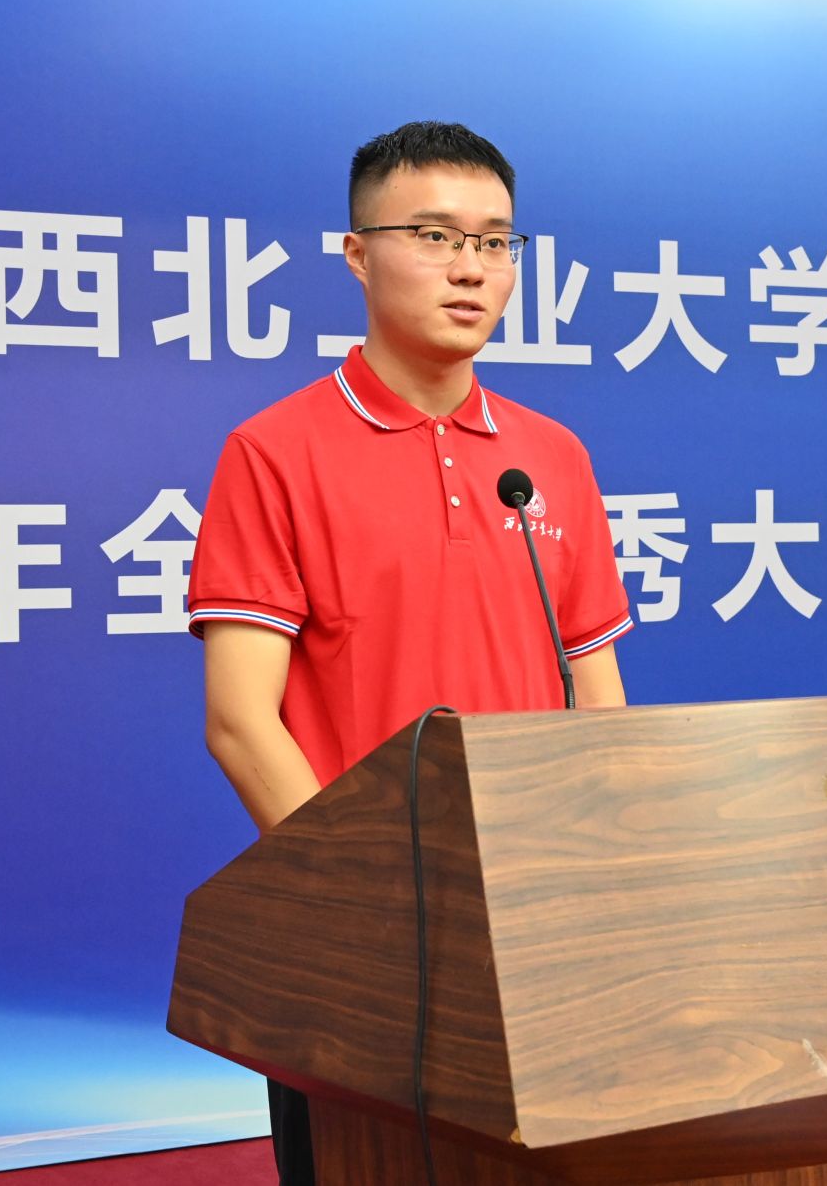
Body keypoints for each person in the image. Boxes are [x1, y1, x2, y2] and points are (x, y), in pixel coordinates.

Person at [183, 121, 633, 1185]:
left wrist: (604, 871)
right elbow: (240, 721)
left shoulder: (551, 458)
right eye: (433, 236)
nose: (470, 267)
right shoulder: (274, 451)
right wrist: (360, 899)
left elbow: (596, 692)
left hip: (537, 918)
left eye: (495, 241)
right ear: (356, 254)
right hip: (360, 938)